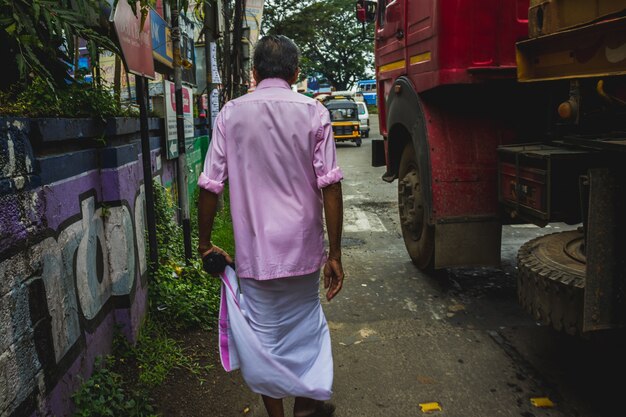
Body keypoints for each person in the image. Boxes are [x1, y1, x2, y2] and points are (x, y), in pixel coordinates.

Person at [196, 35, 345, 417]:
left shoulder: (230, 113)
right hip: (302, 251)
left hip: (254, 252)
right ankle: (306, 407)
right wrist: (335, 255)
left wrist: (205, 242)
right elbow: (330, 184)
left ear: (254, 72)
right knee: (307, 335)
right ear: (296, 73)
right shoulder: (314, 113)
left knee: (265, 342)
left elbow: (211, 185)